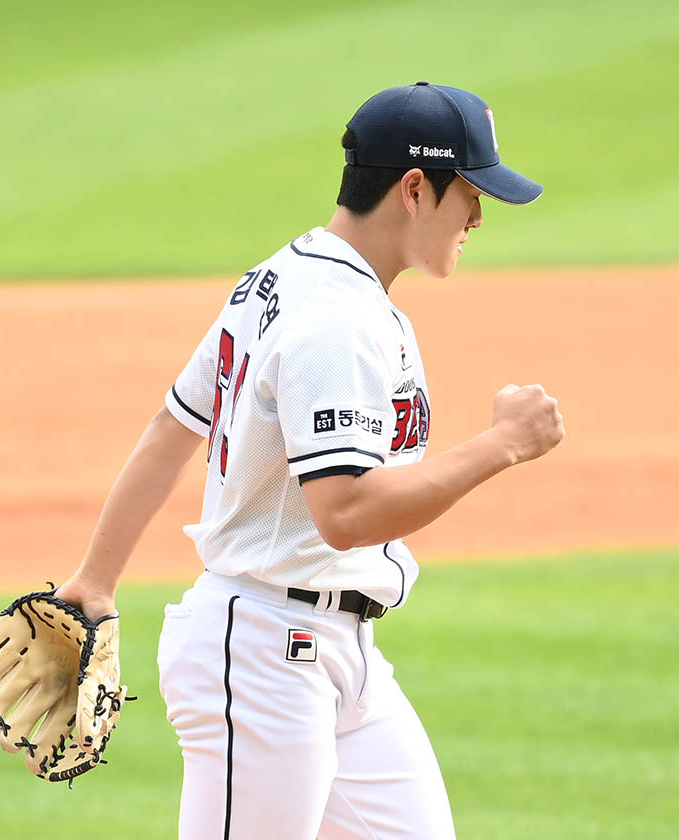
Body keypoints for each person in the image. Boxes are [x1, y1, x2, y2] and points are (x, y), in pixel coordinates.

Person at [53, 81, 564, 839]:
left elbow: (173, 427)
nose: (479, 216)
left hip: (337, 654)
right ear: (415, 189)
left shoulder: (284, 276)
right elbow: (347, 513)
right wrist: (502, 445)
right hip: (263, 656)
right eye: (471, 193)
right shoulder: (336, 316)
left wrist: (96, 578)